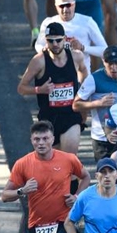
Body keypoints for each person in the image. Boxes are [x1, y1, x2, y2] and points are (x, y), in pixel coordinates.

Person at [18, 22, 88, 154]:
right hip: (48, 118)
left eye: (58, 40)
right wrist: (40, 90)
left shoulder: (76, 56)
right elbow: (21, 88)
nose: (55, 44)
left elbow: (84, 71)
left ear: (65, 39)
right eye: (50, 41)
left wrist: (82, 90)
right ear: (46, 41)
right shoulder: (39, 61)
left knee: (68, 159)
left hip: (71, 115)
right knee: (50, 161)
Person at [36, 0, 108, 72]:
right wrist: (46, 49)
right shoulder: (48, 23)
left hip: (81, 73)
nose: (65, 9)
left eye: (68, 5)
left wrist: (83, 48)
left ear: (74, 4)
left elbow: (105, 50)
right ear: (56, 6)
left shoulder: (87, 22)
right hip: (55, 73)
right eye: (61, 6)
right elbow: (38, 45)